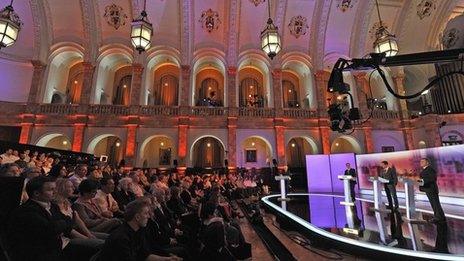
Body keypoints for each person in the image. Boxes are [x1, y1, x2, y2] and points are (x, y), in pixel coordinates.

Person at [6, 176, 74, 261]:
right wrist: (63, 223)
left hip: (58, 246)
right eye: (51, 190)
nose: (55, 192)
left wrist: (61, 224)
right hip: (39, 254)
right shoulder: (26, 211)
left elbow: (70, 222)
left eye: (55, 188)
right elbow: (50, 230)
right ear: (36, 193)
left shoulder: (52, 206)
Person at [98, 199, 181, 261]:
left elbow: (145, 255)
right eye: (146, 213)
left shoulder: (138, 231)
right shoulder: (121, 238)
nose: (148, 216)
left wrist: (167, 259)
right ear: (137, 217)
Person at [418, 158, 446, 223]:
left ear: (427, 163)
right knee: (434, 204)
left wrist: (423, 181)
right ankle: (440, 217)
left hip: (431, 189)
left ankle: (438, 217)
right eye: (420, 161)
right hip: (428, 189)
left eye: (423, 161)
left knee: (435, 204)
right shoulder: (424, 170)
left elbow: (432, 178)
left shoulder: (430, 169)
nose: (421, 163)